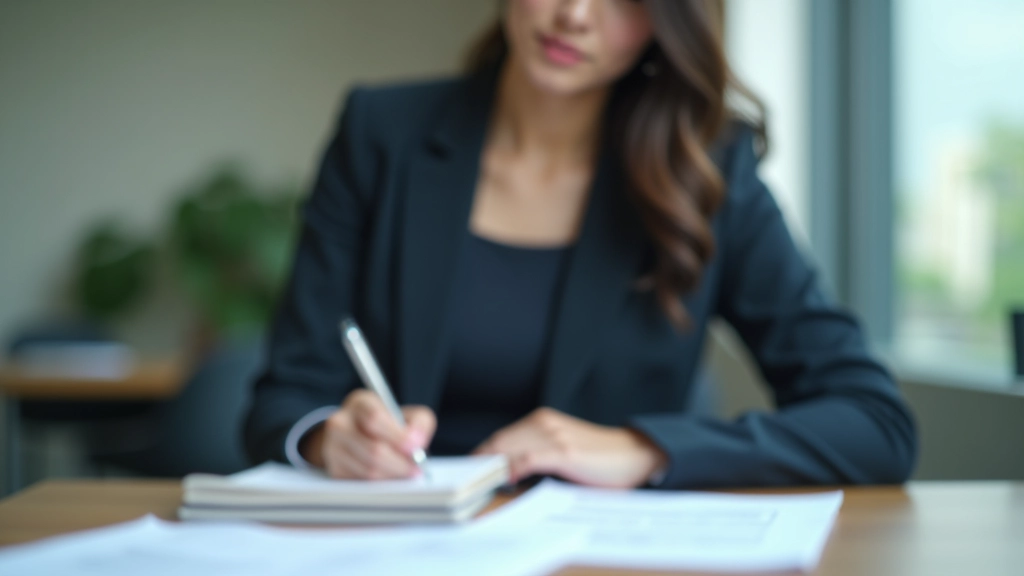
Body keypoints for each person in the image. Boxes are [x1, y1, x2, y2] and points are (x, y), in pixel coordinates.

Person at [244, 0, 917, 489]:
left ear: (666, 20)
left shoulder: (707, 170)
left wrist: (643, 450)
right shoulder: (382, 133)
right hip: (395, 544)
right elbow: (284, 396)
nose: (575, 14)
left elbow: (874, 422)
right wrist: (328, 438)